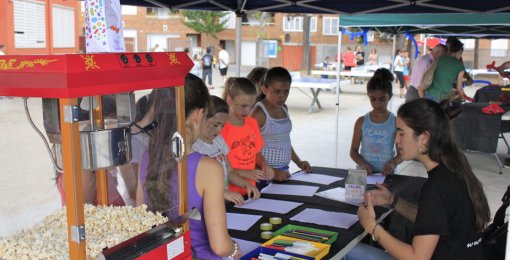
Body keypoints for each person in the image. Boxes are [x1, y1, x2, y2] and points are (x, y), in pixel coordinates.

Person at [345, 98, 490, 260]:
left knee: (347, 253)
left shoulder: (437, 187)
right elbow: (433, 221)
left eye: (401, 133)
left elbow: (417, 258)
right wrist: (393, 200)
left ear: (424, 138)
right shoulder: (454, 169)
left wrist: (372, 226)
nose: (396, 140)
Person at [136, 74, 241, 259]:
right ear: (199, 114)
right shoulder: (208, 168)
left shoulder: (147, 157)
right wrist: (235, 249)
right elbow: (220, 246)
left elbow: (140, 221)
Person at [192, 95, 261, 205]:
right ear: (200, 118)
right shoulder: (194, 147)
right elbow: (195, 183)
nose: (219, 130)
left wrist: (246, 184)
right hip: (205, 204)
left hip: (221, 201)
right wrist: (222, 193)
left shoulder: (219, 141)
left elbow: (230, 172)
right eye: (215, 124)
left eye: (223, 126)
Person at [251, 67, 312, 182]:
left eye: (286, 91)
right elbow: (247, 148)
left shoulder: (284, 108)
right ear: (264, 89)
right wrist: (271, 171)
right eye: (276, 91)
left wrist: (299, 162)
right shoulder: (258, 114)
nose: (282, 96)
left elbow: (284, 140)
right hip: (262, 176)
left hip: (283, 172)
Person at [221, 77, 274, 194]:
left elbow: (256, 152)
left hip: (250, 190)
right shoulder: (220, 128)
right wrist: (244, 173)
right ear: (229, 100)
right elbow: (220, 165)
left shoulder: (252, 123)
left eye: (251, 106)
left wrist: (264, 164)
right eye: (243, 106)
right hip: (229, 193)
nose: (248, 111)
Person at [349, 68, 400, 176]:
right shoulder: (361, 122)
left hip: (387, 175)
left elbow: (402, 154)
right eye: (373, 99)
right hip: (364, 174)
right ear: (368, 96)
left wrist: (392, 163)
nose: (377, 104)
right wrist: (362, 164)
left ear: (389, 97)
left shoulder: (395, 122)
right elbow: (353, 151)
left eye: (382, 99)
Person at [420, 38, 466, 102]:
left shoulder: (439, 59)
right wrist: (461, 98)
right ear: (459, 52)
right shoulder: (460, 66)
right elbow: (459, 88)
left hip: (429, 94)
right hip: (443, 98)